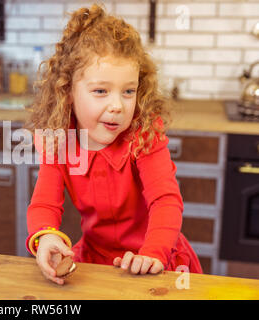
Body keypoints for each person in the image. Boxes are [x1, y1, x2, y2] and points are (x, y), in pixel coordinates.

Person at [23, 4, 203, 285]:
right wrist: (46, 237)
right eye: (101, 91)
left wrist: (153, 252)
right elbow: (45, 204)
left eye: (128, 91)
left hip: (156, 257)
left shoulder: (143, 134)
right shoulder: (59, 139)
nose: (117, 105)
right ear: (68, 91)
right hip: (96, 260)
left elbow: (165, 200)